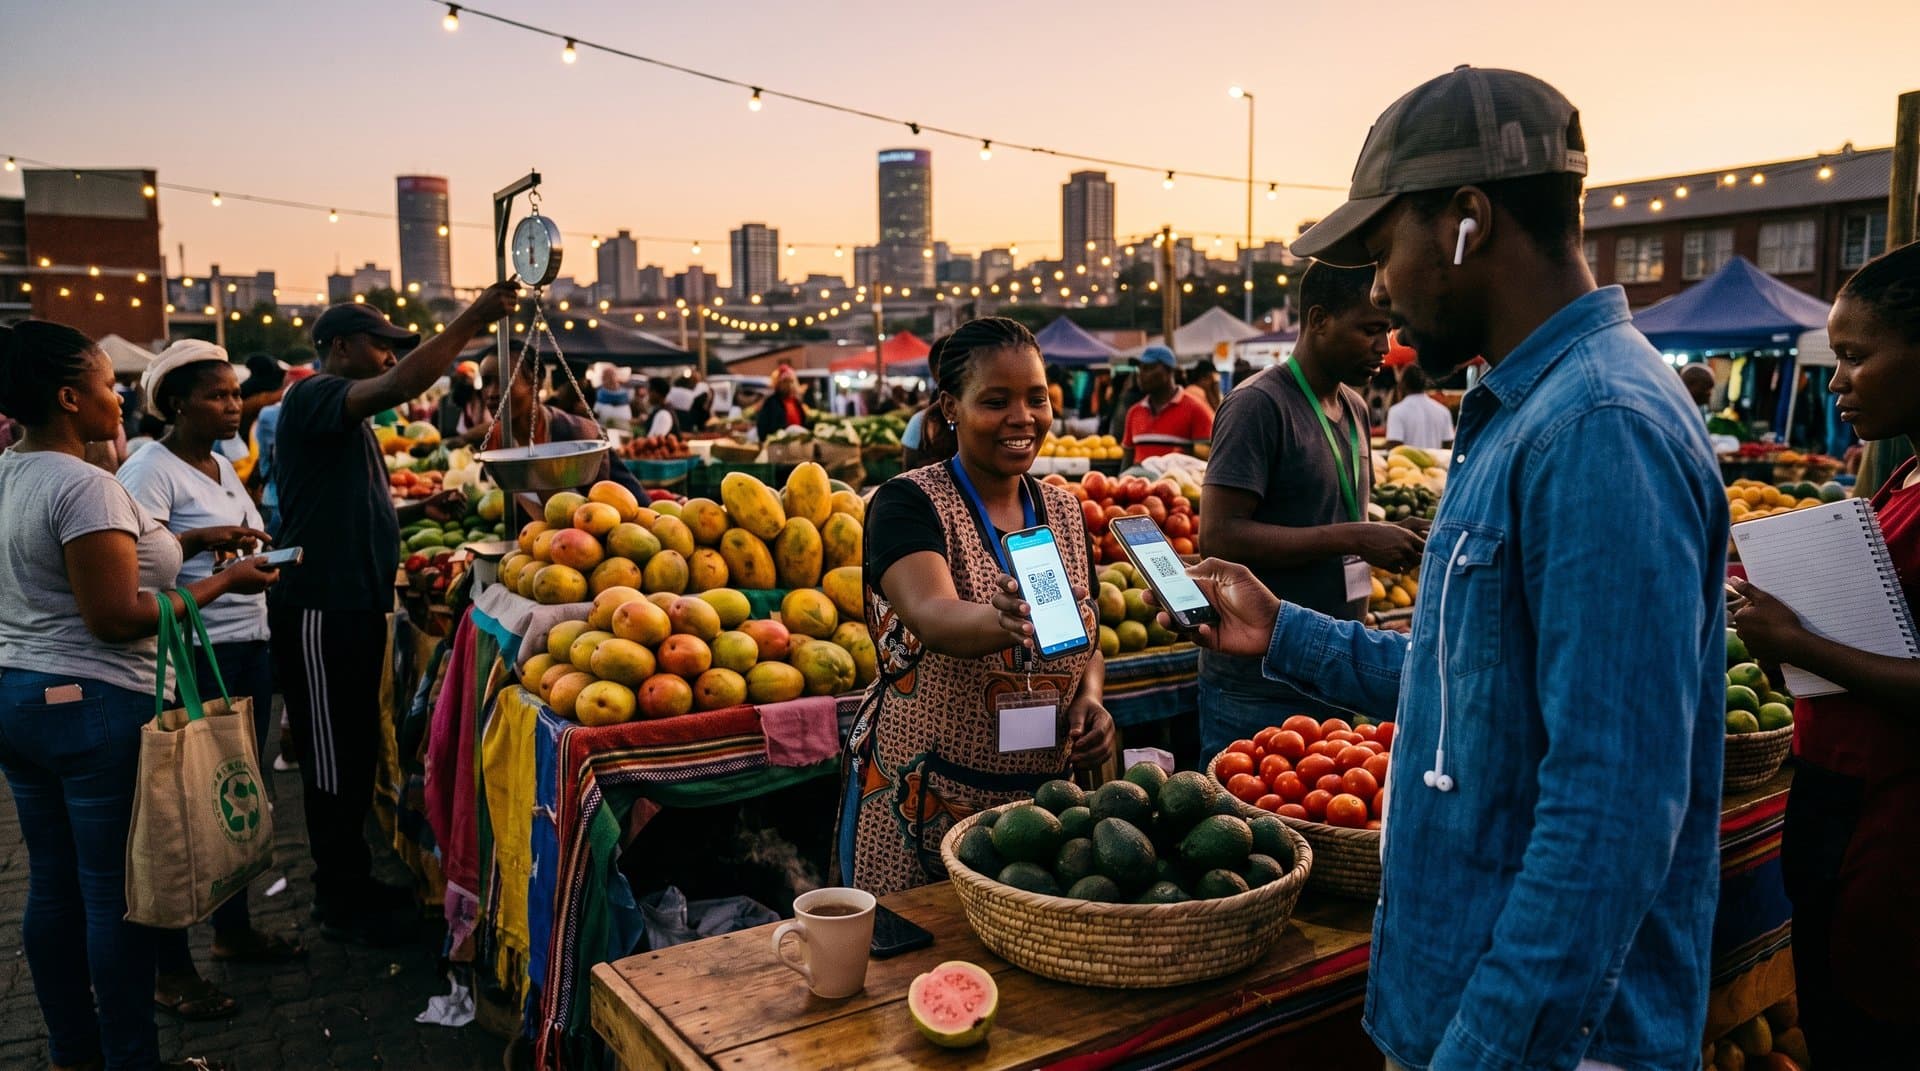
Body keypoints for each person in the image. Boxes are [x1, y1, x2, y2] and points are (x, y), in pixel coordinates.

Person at [1183, 67, 1727, 1071]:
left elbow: (1606, 816)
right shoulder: (1526, 418)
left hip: (1542, 1046)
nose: (1381, 292)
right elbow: (1478, 684)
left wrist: (1480, 1050)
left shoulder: (1598, 429)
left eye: (1386, 251)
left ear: (1467, 223)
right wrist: (1286, 633)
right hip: (1467, 1014)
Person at [0, 319, 281, 1071]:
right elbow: (117, 616)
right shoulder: (83, 482)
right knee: (116, 896)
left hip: (22, 701)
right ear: (68, 396)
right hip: (94, 707)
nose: (119, 399)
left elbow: (87, 565)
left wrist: (189, 544)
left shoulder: (11, 470)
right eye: (104, 383)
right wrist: (219, 583)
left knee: (53, 887)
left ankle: (72, 1050)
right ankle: (131, 1057)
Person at [270, 284, 518, 945]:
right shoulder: (313, 396)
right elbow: (402, 385)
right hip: (320, 608)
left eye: (393, 347)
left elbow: (339, 504)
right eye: (380, 343)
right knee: (330, 760)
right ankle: (337, 897)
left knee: (353, 751)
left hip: (356, 605)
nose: (388, 356)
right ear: (340, 348)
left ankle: (350, 880)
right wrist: (474, 318)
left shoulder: (342, 423)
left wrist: (412, 512)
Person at [839, 317, 1115, 895]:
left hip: (1043, 810)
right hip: (927, 798)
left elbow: (1086, 633)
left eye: (1036, 399)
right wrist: (1002, 621)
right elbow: (933, 614)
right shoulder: (907, 503)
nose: (1023, 418)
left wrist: (1090, 701)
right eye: (996, 401)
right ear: (950, 408)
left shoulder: (1063, 510)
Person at [1729, 239, 1920, 1068]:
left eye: (1854, 356)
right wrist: (1780, 642)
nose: (1835, 380)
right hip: (1842, 805)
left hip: (1898, 834)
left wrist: (1798, 639)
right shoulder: (1906, 473)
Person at [119, 341, 307, 1021]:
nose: (234, 404)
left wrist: (230, 546)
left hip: (245, 648)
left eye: (235, 392)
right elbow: (139, 572)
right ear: (174, 404)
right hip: (196, 659)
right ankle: (170, 969)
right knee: (182, 807)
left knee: (234, 795)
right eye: (218, 395)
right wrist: (220, 566)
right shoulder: (148, 471)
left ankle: (232, 931)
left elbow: (194, 546)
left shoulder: (223, 463)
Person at [1196, 262, 1424, 756]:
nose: (1384, 349)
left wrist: (1388, 531)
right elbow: (1217, 536)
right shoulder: (1257, 405)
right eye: (1370, 330)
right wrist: (1356, 536)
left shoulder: (1357, 408)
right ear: (1318, 319)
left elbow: (1329, 515)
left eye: (1386, 331)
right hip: (1259, 685)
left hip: (1334, 668)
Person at [476, 348, 644, 495]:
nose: (491, 393)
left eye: (505, 381)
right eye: (486, 382)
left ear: (536, 382)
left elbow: (596, 510)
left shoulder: (580, 435)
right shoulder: (498, 438)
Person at [1121, 346, 1213, 463]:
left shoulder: (1197, 410)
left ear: (1170, 371)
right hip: (1140, 480)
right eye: (1140, 369)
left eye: (1149, 368)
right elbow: (1127, 461)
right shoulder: (1134, 412)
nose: (1141, 375)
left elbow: (1207, 461)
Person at [1384, 363, 1455, 449]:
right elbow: (1448, 446)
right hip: (1437, 462)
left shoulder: (1396, 411)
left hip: (1406, 462)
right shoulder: (1443, 411)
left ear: (1403, 385)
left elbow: (1394, 446)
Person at [433, 360, 487, 440]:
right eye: (459, 379)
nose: (461, 383)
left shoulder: (485, 400)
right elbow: (461, 431)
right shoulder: (466, 405)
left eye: (465, 378)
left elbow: (490, 426)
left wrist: (462, 439)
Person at [755, 366, 808, 441]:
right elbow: (762, 425)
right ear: (778, 383)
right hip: (779, 443)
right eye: (785, 381)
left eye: (791, 381)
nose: (788, 385)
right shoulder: (771, 402)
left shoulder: (796, 402)